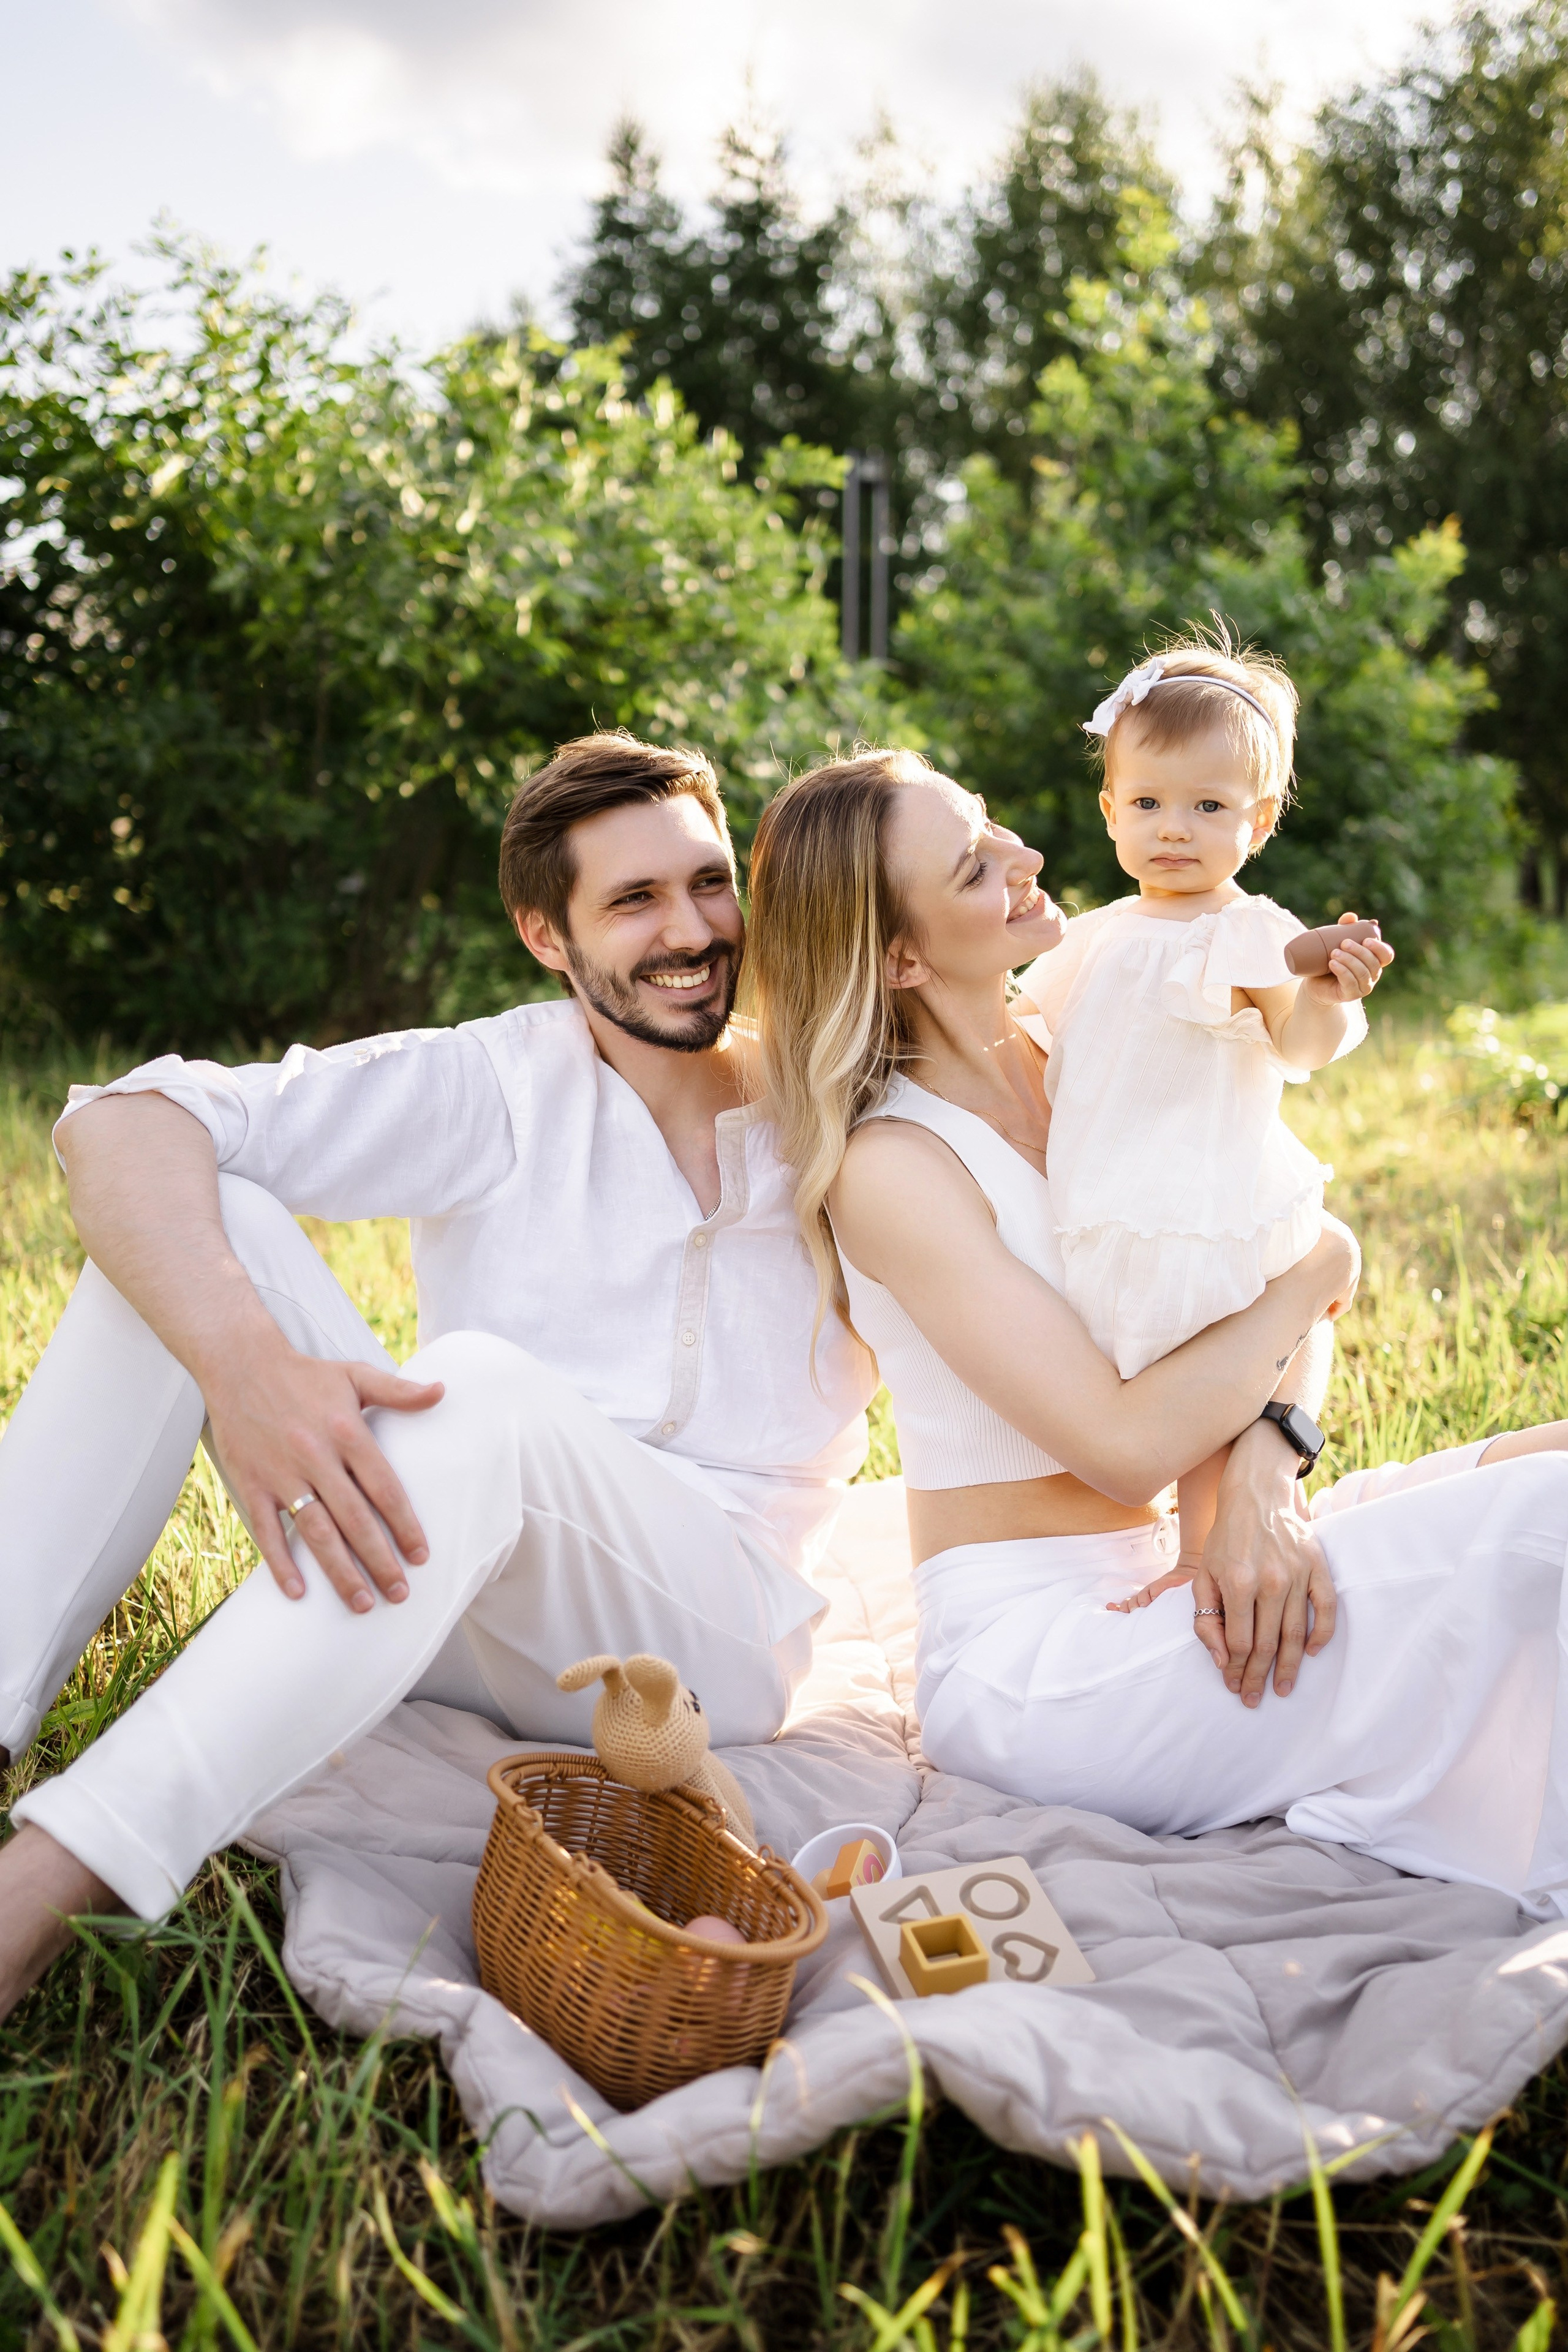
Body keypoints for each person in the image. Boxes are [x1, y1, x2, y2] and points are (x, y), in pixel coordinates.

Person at [0, 731, 875, 2020]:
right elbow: (121, 1118)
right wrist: (245, 1370)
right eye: (631, 901)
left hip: (708, 1644)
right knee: (202, 1228)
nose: (689, 930)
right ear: (546, 935)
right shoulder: (503, 1082)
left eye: (705, 883)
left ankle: (38, 1890)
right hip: (452, 1575)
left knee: (482, 1389)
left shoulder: (835, 1096)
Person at [747, 745, 1568, 1918]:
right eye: (978, 865)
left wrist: (1270, 1476)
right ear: (902, 953)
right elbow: (1129, 1442)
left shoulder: (1089, 1042)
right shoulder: (893, 1164)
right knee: (1540, 1532)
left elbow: (1257, 1258)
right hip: (1049, 1660)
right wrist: (1313, 1279)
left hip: (1201, 1550)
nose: (1028, 857)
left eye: (994, 827)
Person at [1016, 635, 1394, 1578]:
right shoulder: (1088, 937)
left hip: (1206, 1203)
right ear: (1110, 811)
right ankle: (1150, 1549)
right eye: (1147, 803)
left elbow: (1300, 1046)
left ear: (1258, 822)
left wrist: (1328, 998)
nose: (1173, 829)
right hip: (1105, 1203)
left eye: (1208, 807)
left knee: (1208, 1385)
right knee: (1138, 1382)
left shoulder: (1250, 932)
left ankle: (1209, 1551)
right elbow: (1026, 1040)